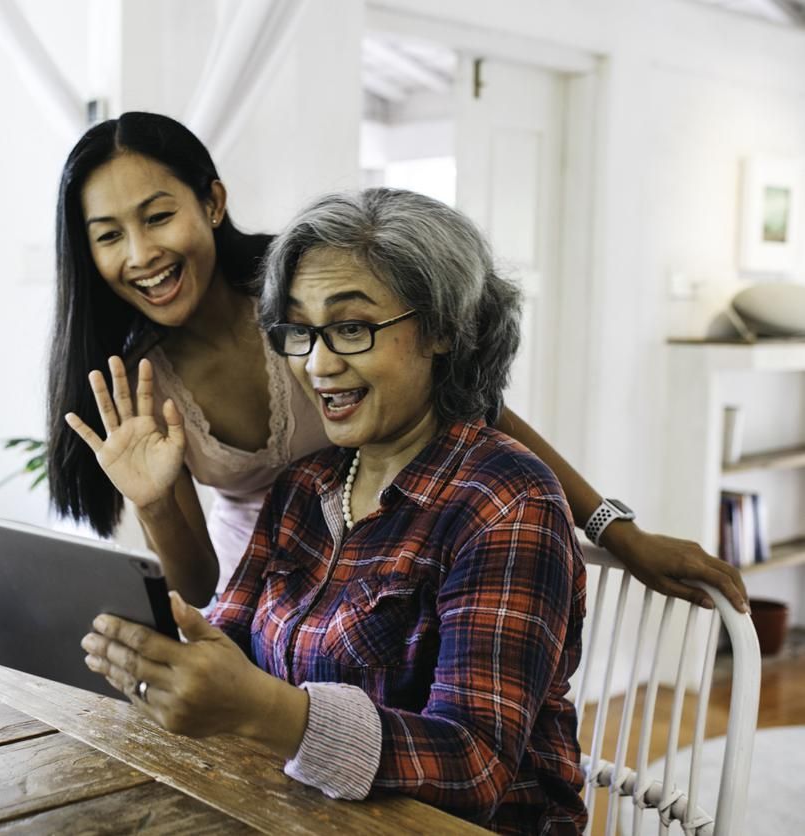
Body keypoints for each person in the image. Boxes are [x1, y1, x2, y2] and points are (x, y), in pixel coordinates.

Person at [49, 110, 746, 612]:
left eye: (158, 216)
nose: (140, 254)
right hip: (274, 594)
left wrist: (617, 532)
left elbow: (482, 409)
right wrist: (153, 504)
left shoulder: (306, 286)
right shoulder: (132, 383)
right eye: (109, 236)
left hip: (399, 562)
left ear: (213, 201)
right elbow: (201, 589)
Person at [79, 188, 587, 832]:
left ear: (443, 331)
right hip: (297, 814)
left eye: (351, 327)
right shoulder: (304, 486)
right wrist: (162, 646)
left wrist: (267, 712)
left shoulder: (506, 502)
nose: (316, 364)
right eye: (299, 330)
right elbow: (227, 639)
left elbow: (475, 765)